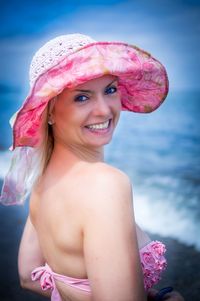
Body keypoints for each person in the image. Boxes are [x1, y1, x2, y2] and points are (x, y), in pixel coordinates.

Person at [0, 33, 184, 301]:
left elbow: (29, 276)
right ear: (48, 111)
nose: (104, 110)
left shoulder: (43, 180)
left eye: (110, 90)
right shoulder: (105, 185)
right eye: (82, 98)